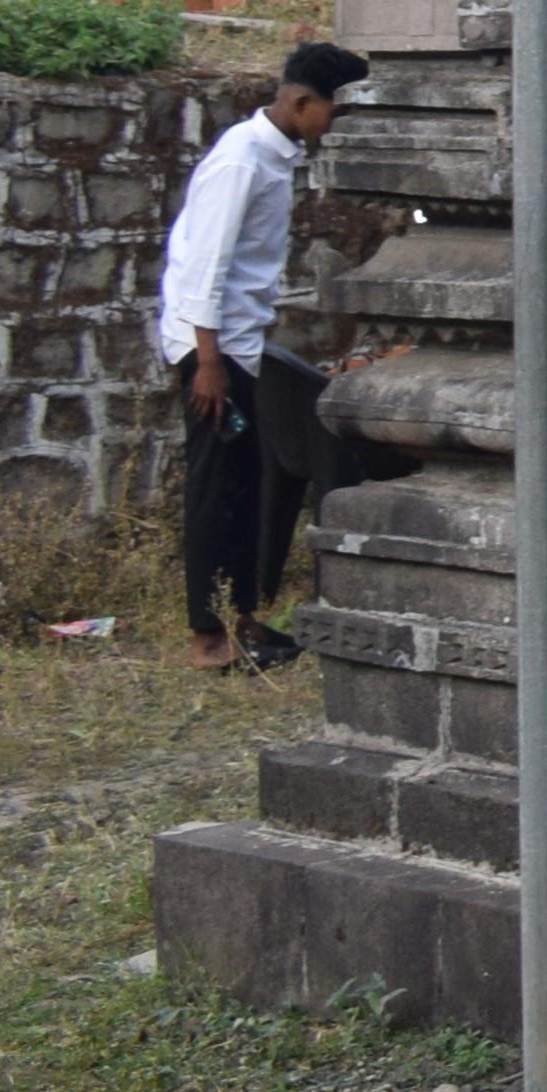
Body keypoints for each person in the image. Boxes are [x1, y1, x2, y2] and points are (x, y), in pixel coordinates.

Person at [157, 41, 366, 671]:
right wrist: (209, 362)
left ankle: (240, 618)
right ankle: (206, 639)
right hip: (212, 349)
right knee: (214, 490)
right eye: (334, 112)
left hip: (240, 344)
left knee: (245, 489)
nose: (335, 127)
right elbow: (203, 263)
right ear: (302, 102)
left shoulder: (274, 157)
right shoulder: (243, 160)